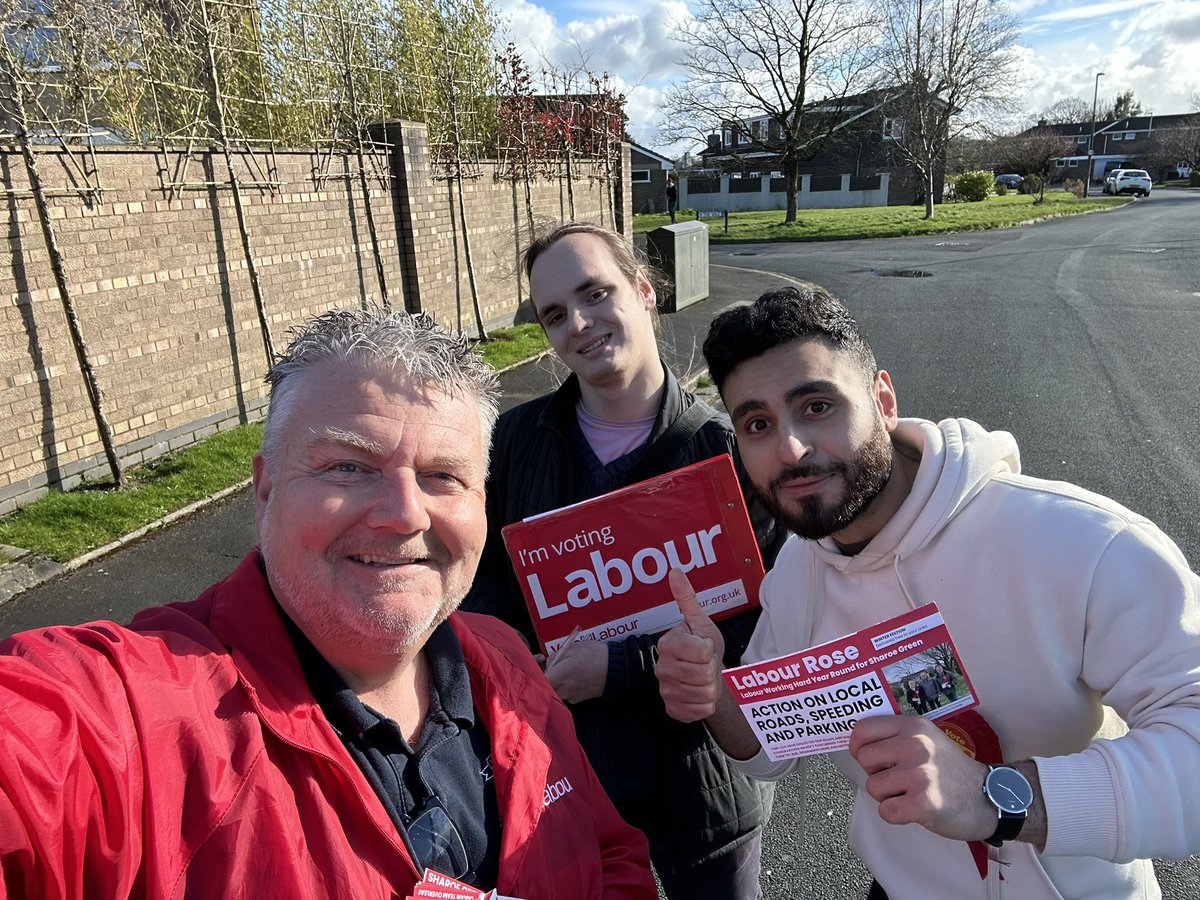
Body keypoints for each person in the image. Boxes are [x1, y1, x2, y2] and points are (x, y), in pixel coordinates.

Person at [0, 308, 656, 899]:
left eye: (443, 477)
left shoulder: (508, 660)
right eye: (348, 467)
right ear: (264, 490)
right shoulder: (135, 716)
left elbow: (609, 855)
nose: (404, 514)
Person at [656, 286, 1200, 898]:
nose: (791, 450)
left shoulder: (1082, 542)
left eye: (815, 406)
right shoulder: (795, 579)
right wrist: (715, 697)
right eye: (758, 424)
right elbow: (769, 749)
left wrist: (996, 797)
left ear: (882, 399)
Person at [463, 222, 786, 899]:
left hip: (701, 795)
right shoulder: (518, 440)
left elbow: (759, 624)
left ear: (644, 291)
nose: (578, 324)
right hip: (567, 786)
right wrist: (522, 652)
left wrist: (616, 668)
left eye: (595, 293)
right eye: (554, 314)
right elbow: (480, 574)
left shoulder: (724, 451)